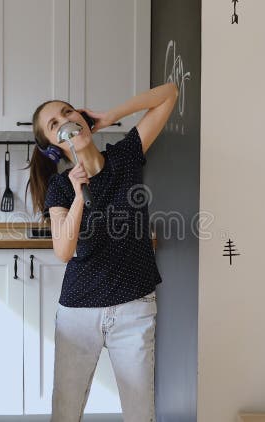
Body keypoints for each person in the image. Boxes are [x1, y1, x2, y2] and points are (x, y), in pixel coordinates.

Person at [27, 82, 178, 422]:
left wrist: (111, 116)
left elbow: (169, 94)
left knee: (141, 415)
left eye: (67, 111)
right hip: (79, 314)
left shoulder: (126, 156)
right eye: (54, 125)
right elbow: (63, 251)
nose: (65, 121)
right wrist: (80, 195)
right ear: (54, 148)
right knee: (65, 414)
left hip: (134, 310)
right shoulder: (61, 187)